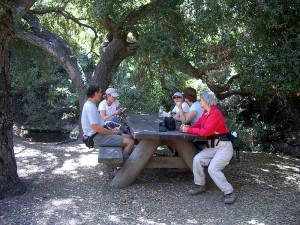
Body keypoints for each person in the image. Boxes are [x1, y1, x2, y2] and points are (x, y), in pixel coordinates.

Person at [180, 91, 236, 204]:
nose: (199, 101)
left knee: (213, 168)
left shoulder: (215, 113)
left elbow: (205, 132)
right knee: (197, 159)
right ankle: (200, 185)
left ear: (206, 101)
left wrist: (188, 130)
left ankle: (229, 192)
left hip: (224, 147)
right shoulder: (206, 112)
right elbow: (198, 125)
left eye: (201, 99)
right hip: (213, 146)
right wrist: (187, 126)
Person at [81, 84, 134, 156]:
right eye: (100, 92)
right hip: (96, 137)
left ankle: (119, 160)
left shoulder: (90, 104)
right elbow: (96, 127)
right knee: (130, 142)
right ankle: (122, 165)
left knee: (129, 137)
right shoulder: (90, 107)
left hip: (99, 134)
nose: (101, 94)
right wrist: (112, 132)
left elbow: (99, 125)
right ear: (95, 93)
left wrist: (112, 130)